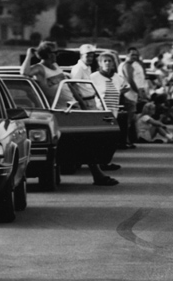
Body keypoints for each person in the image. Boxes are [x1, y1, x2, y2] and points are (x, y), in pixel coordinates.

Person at [22, 41, 118, 186]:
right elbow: (24, 73)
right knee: (77, 142)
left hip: (73, 107)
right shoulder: (40, 69)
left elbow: (69, 87)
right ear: (47, 54)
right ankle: (96, 174)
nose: (57, 55)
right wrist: (29, 54)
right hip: (59, 111)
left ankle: (96, 174)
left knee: (86, 140)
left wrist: (82, 104)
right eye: (54, 53)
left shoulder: (55, 67)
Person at [91, 51, 129, 172]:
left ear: (114, 64)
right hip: (100, 112)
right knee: (102, 137)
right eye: (104, 61)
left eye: (110, 61)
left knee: (111, 139)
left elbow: (126, 87)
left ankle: (106, 161)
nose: (107, 63)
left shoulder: (117, 77)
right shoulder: (94, 77)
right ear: (100, 64)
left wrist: (121, 93)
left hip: (114, 112)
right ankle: (100, 162)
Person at [118, 47, 148, 147]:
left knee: (130, 120)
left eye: (136, 55)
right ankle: (125, 141)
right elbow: (130, 80)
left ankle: (127, 140)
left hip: (131, 96)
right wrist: (138, 92)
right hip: (128, 96)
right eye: (132, 55)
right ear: (126, 55)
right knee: (128, 121)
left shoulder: (132, 65)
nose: (134, 57)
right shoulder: (127, 66)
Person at [70, 44, 99, 109]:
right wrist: (82, 103)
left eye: (91, 56)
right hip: (85, 101)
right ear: (81, 56)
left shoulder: (88, 67)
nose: (90, 58)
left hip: (91, 100)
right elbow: (73, 86)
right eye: (87, 56)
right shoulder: (78, 68)